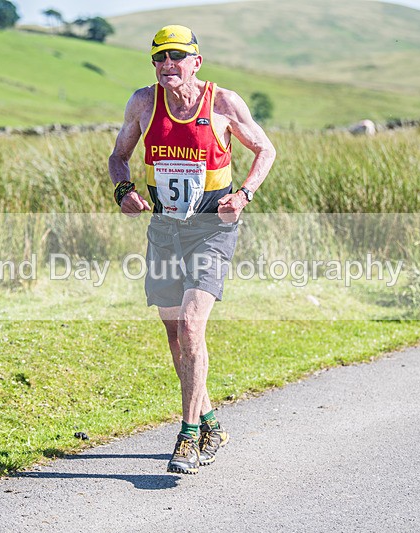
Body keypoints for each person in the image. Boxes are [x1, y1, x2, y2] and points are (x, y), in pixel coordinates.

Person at [108, 24, 276, 474]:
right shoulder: (143, 103)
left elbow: (265, 149)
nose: (167, 64)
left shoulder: (223, 103)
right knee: (173, 334)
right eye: (159, 57)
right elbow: (118, 156)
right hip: (165, 229)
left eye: (176, 56)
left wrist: (243, 195)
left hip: (210, 230)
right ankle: (210, 424)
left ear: (196, 62)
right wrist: (123, 190)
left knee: (189, 325)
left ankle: (186, 438)